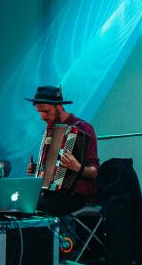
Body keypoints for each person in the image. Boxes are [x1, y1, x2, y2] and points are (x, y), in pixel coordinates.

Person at [26, 86, 99, 216]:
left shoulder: (83, 128)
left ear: (59, 106)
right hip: (53, 195)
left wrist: (76, 167)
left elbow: (95, 173)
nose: (43, 116)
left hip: (77, 196)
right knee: (21, 204)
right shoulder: (50, 129)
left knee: (36, 207)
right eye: (39, 112)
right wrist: (38, 170)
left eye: (46, 111)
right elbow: (52, 170)